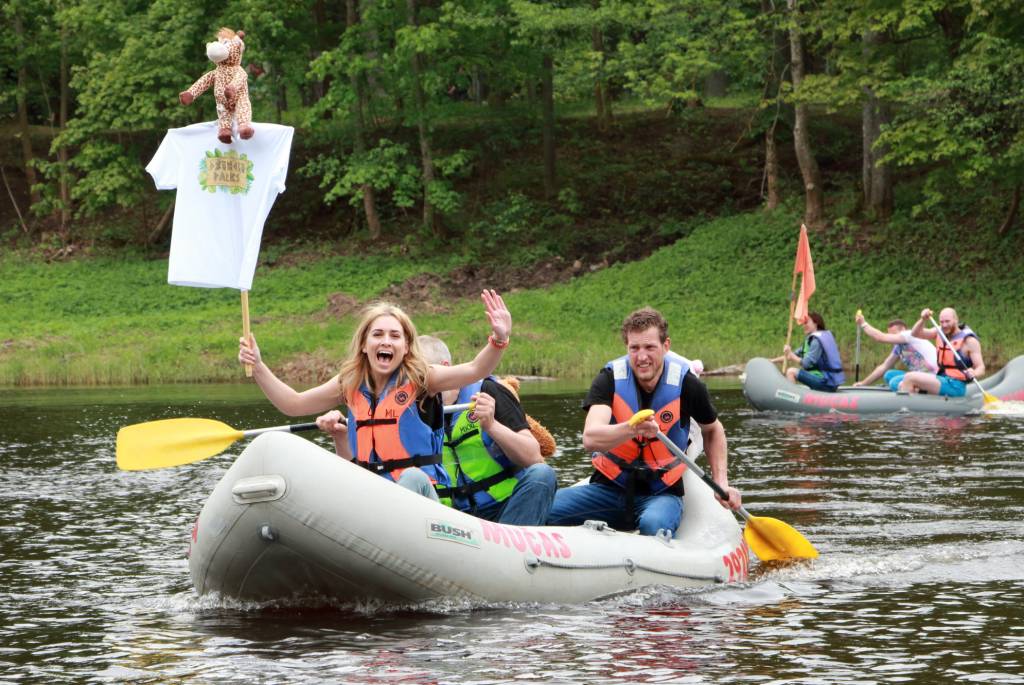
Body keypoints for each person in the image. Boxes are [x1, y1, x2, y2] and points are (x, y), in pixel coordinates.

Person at [237, 290, 512, 498]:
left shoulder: (422, 378)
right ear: (364, 345)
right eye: (377, 334)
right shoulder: (349, 383)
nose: (385, 341)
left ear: (406, 347)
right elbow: (293, 404)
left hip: (419, 496)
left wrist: (498, 339)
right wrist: (259, 367)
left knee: (413, 477)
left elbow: (476, 369)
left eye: (395, 336)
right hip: (371, 495)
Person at [546, 307, 741, 537]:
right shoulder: (609, 379)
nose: (642, 357)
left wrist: (721, 482)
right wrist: (631, 429)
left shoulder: (687, 384)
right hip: (607, 488)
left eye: (650, 347)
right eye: (634, 348)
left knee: (653, 524)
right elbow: (591, 438)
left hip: (661, 493)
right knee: (543, 509)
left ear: (666, 346)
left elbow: (713, 430)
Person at [411, 335, 557, 526]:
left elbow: (534, 457)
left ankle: (511, 546)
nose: (417, 380)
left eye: (422, 371)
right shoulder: (410, 410)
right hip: (452, 520)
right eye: (411, 373)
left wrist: (491, 426)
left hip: (505, 507)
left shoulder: (490, 391)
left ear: (445, 366)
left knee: (542, 474)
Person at [897, 307, 985, 397]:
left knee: (909, 377)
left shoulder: (969, 341)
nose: (944, 325)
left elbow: (981, 368)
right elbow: (915, 333)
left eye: (947, 321)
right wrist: (923, 319)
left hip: (955, 385)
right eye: (942, 322)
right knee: (902, 384)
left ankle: (905, 408)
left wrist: (974, 373)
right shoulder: (939, 332)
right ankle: (916, 408)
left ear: (956, 320)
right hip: (941, 378)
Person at [853, 313, 938, 390]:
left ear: (903, 330)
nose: (892, 337)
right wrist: (863, 383)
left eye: (893, 334)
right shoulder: (898, 347)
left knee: (894, 382)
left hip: (933, 376)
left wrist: (863, 324)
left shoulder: (909, 334)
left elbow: (880, 337)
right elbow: (884, 367)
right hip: (918, 377)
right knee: (889, 374)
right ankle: (913, 389)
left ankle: (915, 391)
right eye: (889, 334)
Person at [777, 312, 845, 392]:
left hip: (826, 382)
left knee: (791, 372)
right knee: (792, 370)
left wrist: (791, 355)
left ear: (816, 323)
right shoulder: (812, 340)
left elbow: (806, 363)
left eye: (806, 322)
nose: (804, 326)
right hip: (824, 381)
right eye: (803, 323)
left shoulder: (817, 341)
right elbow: (789, 356)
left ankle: (793, 399)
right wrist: (771, 361)